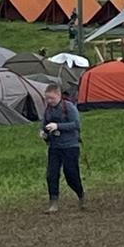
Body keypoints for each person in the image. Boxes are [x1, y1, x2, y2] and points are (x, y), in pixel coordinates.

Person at [41, 83, 84, 214]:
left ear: (59, 96)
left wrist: (58, 126)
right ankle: (53, 202)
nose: (49, 101)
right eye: (47, 99)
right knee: (51, 175)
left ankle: (80, 194)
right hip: (54, 147)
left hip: (70, 146)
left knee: (71, 174)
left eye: (51, 98)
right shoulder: (48, 110)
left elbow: (76, 125)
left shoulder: (69, 107)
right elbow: (44, 124)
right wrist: (43, 133)